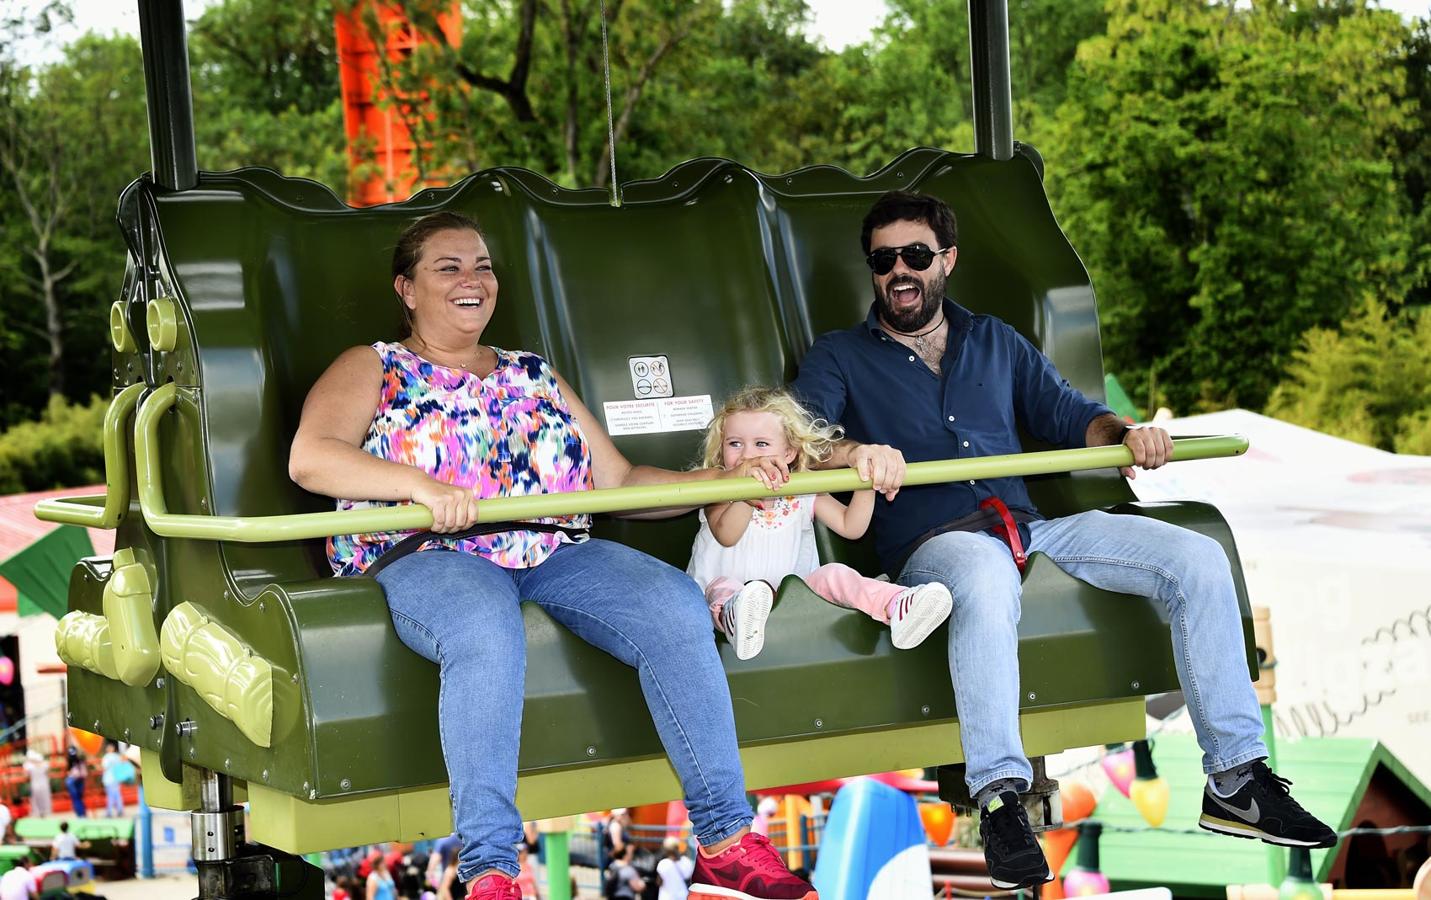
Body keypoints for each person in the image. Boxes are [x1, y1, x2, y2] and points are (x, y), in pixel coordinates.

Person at [790, 190, 1339, 889]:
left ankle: (1234, 775)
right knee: (984, 576)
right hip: (935, 541)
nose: (899, 270)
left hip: (1029, 527)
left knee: (1196, 557)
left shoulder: (993, 339)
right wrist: (855, 455)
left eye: (916, 255)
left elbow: (1070, 415)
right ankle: (999, 800)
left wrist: (1127, 436)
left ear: (946, 260)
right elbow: (804, 438)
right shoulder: (840, 355)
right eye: (883, 259)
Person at [289, 212, 817, 900]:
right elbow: (312, 457)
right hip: (430, 551)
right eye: (447, 268)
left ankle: (723, 836)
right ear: (407, 289)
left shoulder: (532, 373)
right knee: (483, 629)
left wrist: (718, 484)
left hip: (548, 546)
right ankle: (489, 867)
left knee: (670, 601)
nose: (471, 280)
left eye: (481, 266)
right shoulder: (374, 366)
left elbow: (619, 483)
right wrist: (420, 488)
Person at [687, 386, 952, 660]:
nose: (746, 455)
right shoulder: (717, 487)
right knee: (723, 585)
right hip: (718, 600)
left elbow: (851, 527)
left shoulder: (801, 488)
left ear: (789, 452)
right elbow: (726, 535)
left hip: (794, 596)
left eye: (761, 444)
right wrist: (745, 495)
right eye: (735, 443)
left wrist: (865, 485)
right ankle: (737, 616)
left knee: (834, 573)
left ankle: (895, 605)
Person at [23, 751, 51, 819]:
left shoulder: (29, 766)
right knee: (43, 798)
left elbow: (26, 775)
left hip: (37, 783)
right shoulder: (43, 764)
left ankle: (40, 812)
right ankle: (44, 811)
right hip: (42, 783)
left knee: (37, 799)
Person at [99, 742, 124, 817]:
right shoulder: (117, 756)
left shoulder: (106, 757)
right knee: (117, 795)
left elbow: (104, 767)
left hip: (109, 779)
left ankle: (109, 812)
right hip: (116, 778)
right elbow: (121, 766)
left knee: (110, 796)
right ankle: (120, 810)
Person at [63, 747, 86, 818]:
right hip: (80, 780)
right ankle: (82, 813)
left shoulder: (70, 760)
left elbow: (68, 772)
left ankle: (80, 814)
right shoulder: (80, 760)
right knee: (79, 798)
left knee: (75, 798)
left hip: (73, 781)